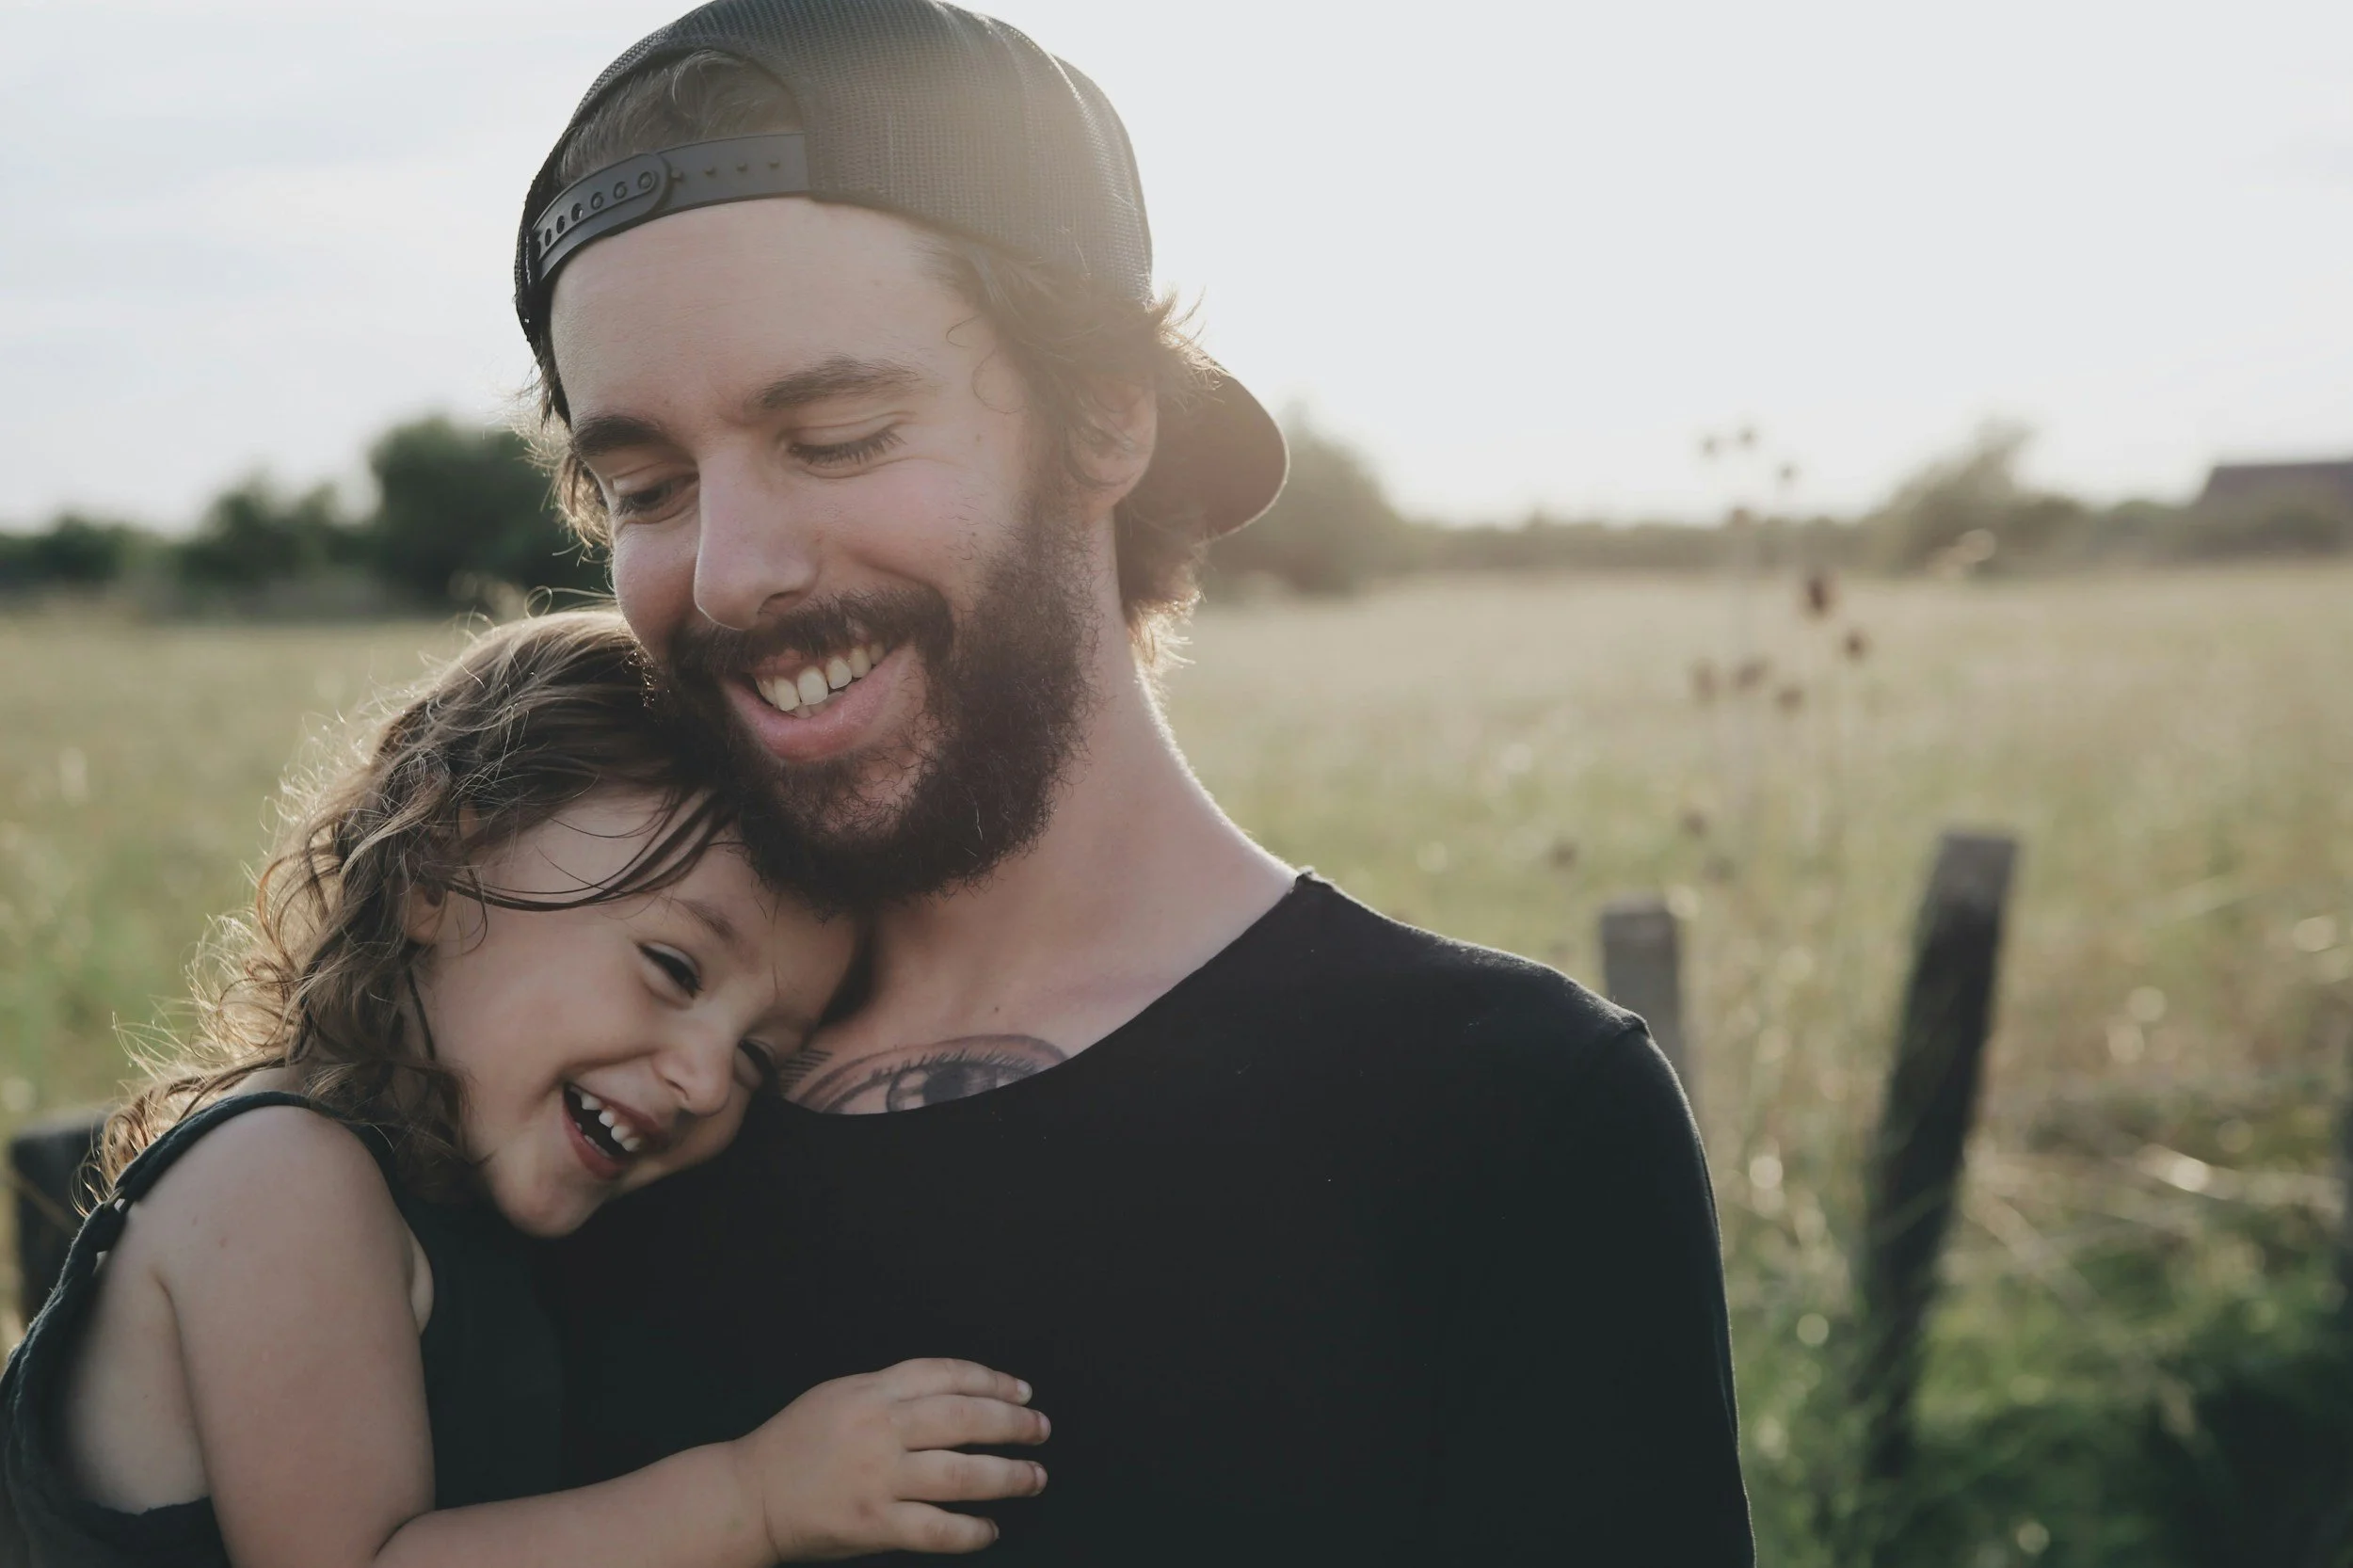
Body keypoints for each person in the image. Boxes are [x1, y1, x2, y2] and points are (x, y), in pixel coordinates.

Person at [523, 3, 1753, 1561]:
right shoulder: (586, 1104)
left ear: (1107, 415)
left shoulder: (1504, 1121)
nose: (734, 571)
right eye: (646, 488)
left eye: (833, 435)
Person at [0, 612, 1055, 1566]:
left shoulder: (459, 1217)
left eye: (754, 1060)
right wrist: (756, 1498)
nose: (700, 1078)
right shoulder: (282, 1178)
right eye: (673, 969)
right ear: (435, 866)